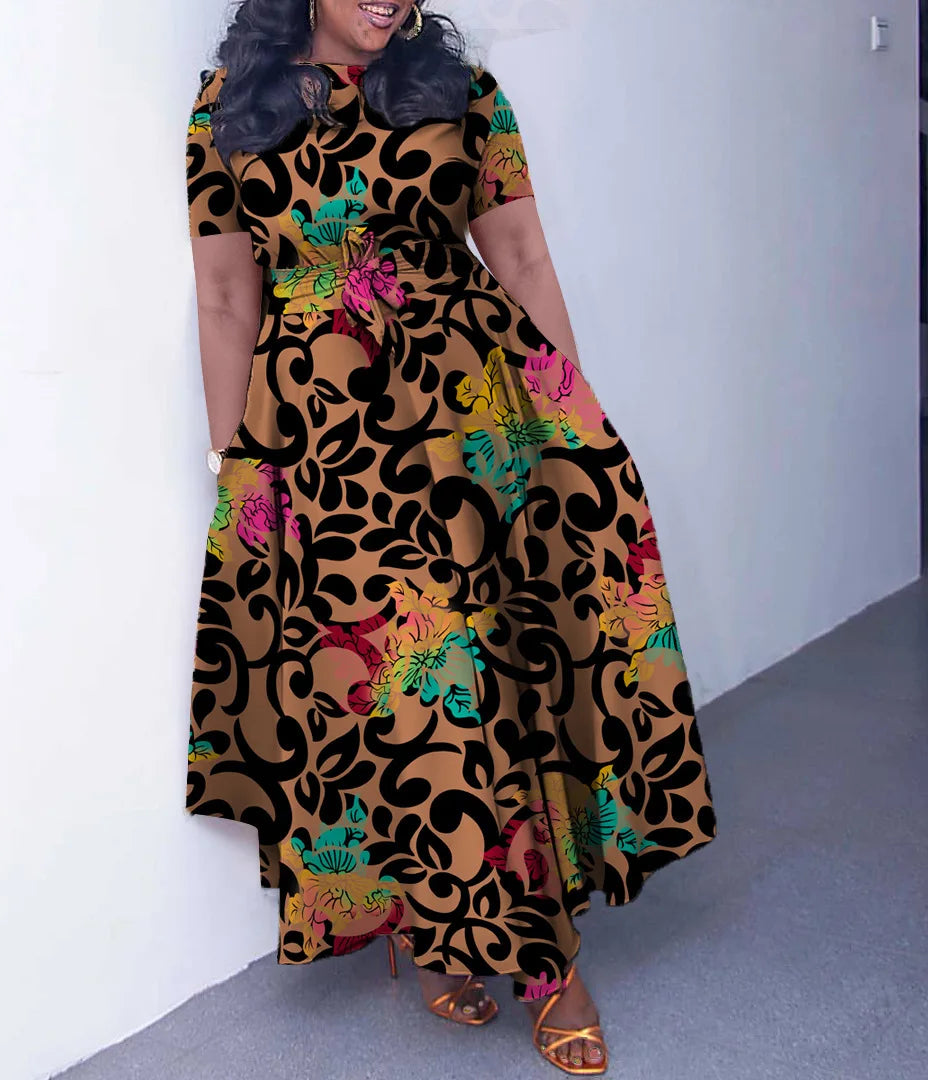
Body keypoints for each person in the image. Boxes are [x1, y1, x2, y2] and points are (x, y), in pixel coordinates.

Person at [185, 1, 717, 1073]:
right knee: (388, 696)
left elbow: (519, 254)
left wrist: (568, 416)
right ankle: (436, 927)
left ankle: (548, 963)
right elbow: (227, 293)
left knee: (484, 678)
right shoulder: (227, 108)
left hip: (469, 413)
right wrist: (234, 465)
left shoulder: (457, 88)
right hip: (326, 440)